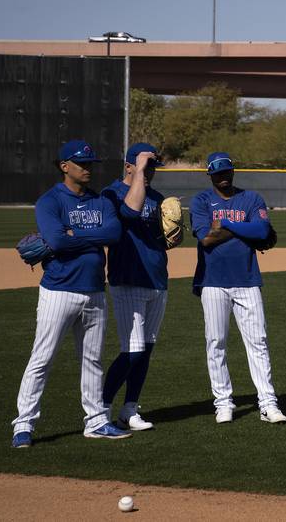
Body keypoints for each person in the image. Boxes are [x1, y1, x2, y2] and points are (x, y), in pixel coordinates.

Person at [12, 140, 127, 448]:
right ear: (65, 166)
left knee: (92, 360)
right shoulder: (50, 202)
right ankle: (23, 425)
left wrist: (75, 235)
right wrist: (83, 238)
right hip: (59, 291)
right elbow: (57, 242)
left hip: (94, 292)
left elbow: (114, 235)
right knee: (42, 358)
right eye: (82, 163)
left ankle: (97, 421)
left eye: (90, 163)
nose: (88, 168)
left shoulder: (100, 201)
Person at [189, 152, 286, 425]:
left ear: (233, 172)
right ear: (210, 175)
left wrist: (228, 224)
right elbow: (206, 239)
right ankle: (223, 403)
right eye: (218, 173)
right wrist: (246, 227)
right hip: (212, 281)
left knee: (258, 342)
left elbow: (263, 231)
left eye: (227, 171)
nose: (223, 177)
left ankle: (268, 403)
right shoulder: (201, 201)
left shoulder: (251, 198)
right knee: (216, 342)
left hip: (247, 280)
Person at [101, 143, 171, 432]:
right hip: (128, 278)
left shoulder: (158, 198)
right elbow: (129, 215)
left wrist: (172, 236)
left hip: (157, 278)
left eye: (153, 165)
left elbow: (160, 238)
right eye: (145, 164)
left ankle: (129, 408)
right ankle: (101, 408)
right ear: (129, 166)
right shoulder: (111, 194)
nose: (151, 170)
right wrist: (140, 174)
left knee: (147, 348)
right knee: (132, 350)